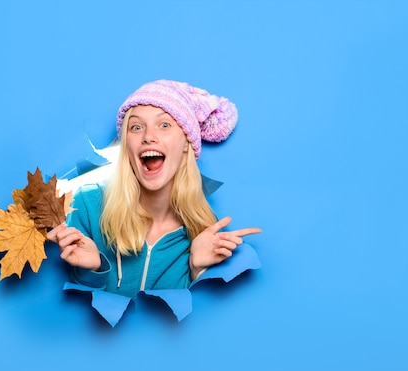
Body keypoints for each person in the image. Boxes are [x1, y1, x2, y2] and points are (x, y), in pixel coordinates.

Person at [46, 79, 261, 298]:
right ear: (127, 147)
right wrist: (92, 269)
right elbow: (80, 316)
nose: (148, 137)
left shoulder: (205, 233)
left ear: (186, 144)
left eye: (164, 125)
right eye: (136, 127)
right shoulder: (85, 205)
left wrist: (198, 271)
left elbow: (195, 325)